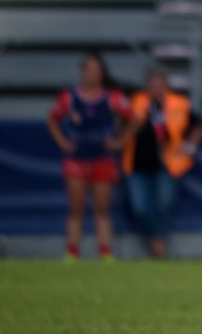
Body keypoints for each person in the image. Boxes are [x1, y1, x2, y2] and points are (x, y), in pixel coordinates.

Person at [47, 51, 130, 261]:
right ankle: (72, 252)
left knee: (102, 209)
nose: (92, 74)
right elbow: (52, 118)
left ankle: (105, 253)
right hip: (76, 158)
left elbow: (134, 118)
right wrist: (61, 141)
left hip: (102, 157)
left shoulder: (112, 98)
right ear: (82, 72)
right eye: (89, 70)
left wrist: (120, 140)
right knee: (76, 208)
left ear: (102, 74)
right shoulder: (69, 98)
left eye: (97, 71)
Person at [122, 64, 202, 259]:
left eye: (160, 84)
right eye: (153, 84)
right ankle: (155, 241)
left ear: (166, 85)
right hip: (137, 163)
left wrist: (189, 147)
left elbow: (199, 124)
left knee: (164, 204)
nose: (156, 88)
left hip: (168, 163)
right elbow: (121, 124)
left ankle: (159, 244)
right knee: (140, 207)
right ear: (147, 85)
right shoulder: (136, 102)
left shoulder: (178, 103)